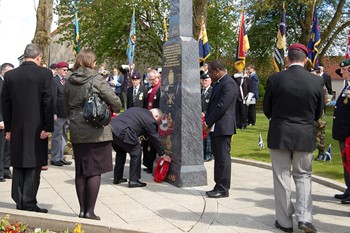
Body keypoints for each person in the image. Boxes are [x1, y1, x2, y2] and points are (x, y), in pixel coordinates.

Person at [263, 43, 323, 233]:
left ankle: (285, 222)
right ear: (305, 60)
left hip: (280, 133)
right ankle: (304, 217)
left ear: (287, 59)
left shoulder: (275, 79)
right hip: (304, 135)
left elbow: (267, 109)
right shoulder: (316, 82)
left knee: (282, 177)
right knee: (303, 176)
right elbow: (318, 112)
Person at [64, 49, 121, 220]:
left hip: (76, 129)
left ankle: (82, 210)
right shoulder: (97, 79)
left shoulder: (69, 80)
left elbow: (65, 106)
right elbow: (116, 102)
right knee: (94, 171)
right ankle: (90, 211)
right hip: (96, 130)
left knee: (80, 171)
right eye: (95, 62)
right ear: (91, 62)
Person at [2, 44, 54, 213]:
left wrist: (8, 128)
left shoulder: (10, 76)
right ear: (38, 57)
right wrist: (48, 126)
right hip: (37, 126)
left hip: (17, 126)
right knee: (34, 164)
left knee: (18, 164)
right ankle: (29, 202)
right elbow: (48, 101)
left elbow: (6, 105)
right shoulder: (44, 74)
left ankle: (19, 200)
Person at [203, 60, 238, 198]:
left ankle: (223, 188)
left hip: (224, 127)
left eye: (210, 72)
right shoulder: (219, 83)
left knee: (223, 158)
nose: (209, 76)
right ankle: (218, 185)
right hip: (216, 127)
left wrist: (208, 122)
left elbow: (221, 106)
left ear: (217, 70)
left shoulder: (229, 83)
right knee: (218, 157)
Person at [111, 107, 171, 187]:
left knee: (121, 152)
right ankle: (133, 180)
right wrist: (163, 155)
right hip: (123, 131)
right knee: (136, 151)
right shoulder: (150, 120)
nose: (156, 123)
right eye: (158, 121)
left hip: (112, 129)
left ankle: (117, 178)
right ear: (156, 116)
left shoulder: (138, 110)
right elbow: (155, 138)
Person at [332, 58, 350, 205]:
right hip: (343, 133)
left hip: (348, 134)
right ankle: (348, 189)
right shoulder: (347, 87)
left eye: (344, 69)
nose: (341, 71)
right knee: (346, 163)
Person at [51, 61, 72, 167]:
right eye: (64, 70)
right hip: (58, 114)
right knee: (56, 136)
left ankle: (61, 156)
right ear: (58, 70)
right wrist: (54, 112)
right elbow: (53, 98)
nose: (65, 72)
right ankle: (55, 158)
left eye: (67, 70)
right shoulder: (54, 81)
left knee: (64, 136)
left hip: (67, 113)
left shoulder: (67, 82)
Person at [142, 69, 161, 173]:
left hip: (156, 118)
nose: (151, 81)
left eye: (153, 79)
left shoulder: (160, 89)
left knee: (153, 142)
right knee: (146, 142)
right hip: (147, 117)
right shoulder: (149, 89)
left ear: (158, 78)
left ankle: (151, 164)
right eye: (149, 80)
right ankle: (147, 163)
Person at [0, 63, 14, 182]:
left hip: (9, 121)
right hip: (2, 121)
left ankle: (6, 169)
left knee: (7, 148)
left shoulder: (9, 84)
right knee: (1, 147)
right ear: (3, 72)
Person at [200, 72, 213, 162]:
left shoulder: (212, 91)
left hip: (208, 117)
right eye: (203, 80)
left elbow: (212, 105)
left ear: (210, 81)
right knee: (201, 137)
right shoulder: (201, 91)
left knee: (207, 136)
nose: (204, 82)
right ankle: (202, 153)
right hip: (199, 117)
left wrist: (205, 113)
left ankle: (208, 154)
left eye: (206, 80)